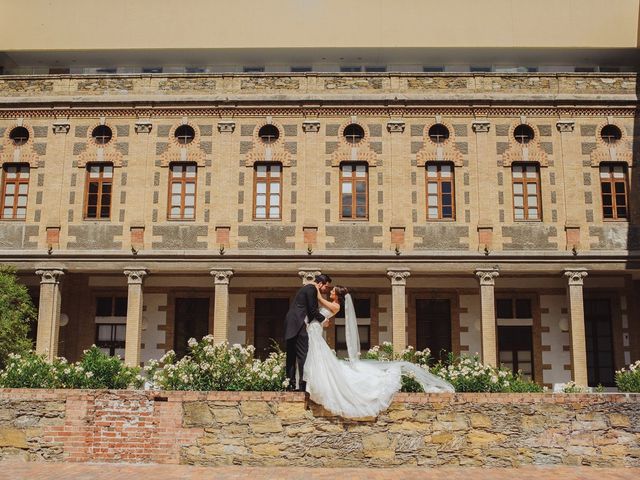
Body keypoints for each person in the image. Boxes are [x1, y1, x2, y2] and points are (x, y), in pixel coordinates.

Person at [303, 285, 454, 418]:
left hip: (315, 331)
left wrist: (315, 291)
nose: (330, 292)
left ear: (338, 295)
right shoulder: (332, 304)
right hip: (315, 330)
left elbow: (321, 303)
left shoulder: (335, 306)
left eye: (333, 291)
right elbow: (322, 315)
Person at [284, 274, 333, 391]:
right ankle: (302, 385)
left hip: (291, 322)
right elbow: (312, 310)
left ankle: (290, 384)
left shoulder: (305, 288)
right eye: (326, 287)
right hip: (298, 323)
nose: (325, 290)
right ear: (320, 283)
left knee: (291, 355)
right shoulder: (311, 289)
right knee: (303, 353)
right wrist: (324, 320)